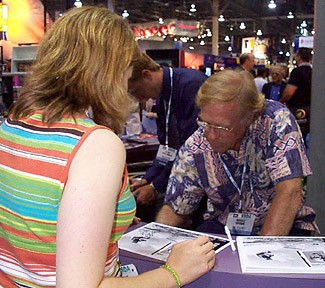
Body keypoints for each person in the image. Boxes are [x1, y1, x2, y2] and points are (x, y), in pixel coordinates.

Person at [0, 6, 215, 288]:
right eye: (126, 72)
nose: (127, 84)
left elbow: (39, 220)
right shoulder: (95, 145)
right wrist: (174, 273)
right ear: (111, 71)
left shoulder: (14, 123)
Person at [156, 69, 317, 237]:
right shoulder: (197, 143)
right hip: (227, 228)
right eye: (205, 122)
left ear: (249, 117)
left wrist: (259, 254)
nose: (210, 135)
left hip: (283, 226)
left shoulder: (276, 121)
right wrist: (155, 242)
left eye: (222, 127)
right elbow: (175, 208)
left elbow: (290, 192)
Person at [128, 52, 207, 222]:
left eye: (135, 91)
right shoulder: (162, 95)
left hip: (200, 179)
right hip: (180, 173)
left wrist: (155, 186)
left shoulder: (191, 85)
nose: (137, 98)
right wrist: (147, 179)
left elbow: (189, 149)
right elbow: (167, 147)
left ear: (147, 75)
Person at [280, 47, 312, 140]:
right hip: (311, 110)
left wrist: (281, 101)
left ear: (298, 57)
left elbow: (289, 92)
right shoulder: (313, 72)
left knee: (296, 136)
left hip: (298, 110)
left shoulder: (297, 72)